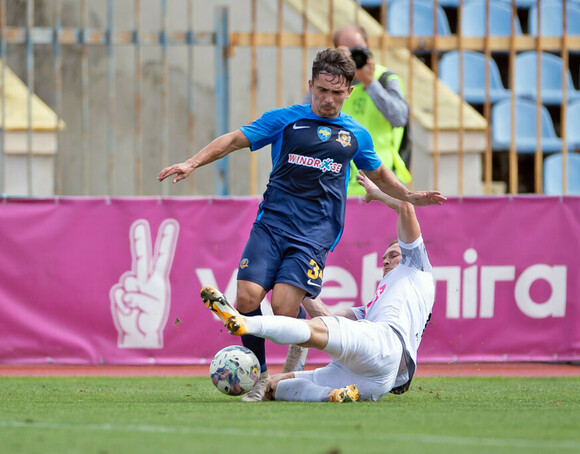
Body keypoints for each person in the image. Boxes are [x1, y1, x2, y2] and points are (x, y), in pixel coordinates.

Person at [158, 48, 445, 401]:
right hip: (272, 223)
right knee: (246, 296)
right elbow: (233, 139)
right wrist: (192, 163)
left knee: (283, 305)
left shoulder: (355, 134)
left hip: (314, 233)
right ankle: (261, 376)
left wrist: (409, 195)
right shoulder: (285, 120)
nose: (328, 99)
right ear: (310, 85)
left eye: (336, 92)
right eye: (322, 90)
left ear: (349, 91)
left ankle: (296, 346)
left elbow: (380, 173)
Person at [200, 170, 435, 402]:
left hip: (386, 344)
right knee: (275, 387)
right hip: (376, 379)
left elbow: (406, 207)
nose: (386, 260)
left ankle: (246, 323)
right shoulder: (376, 304)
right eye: (384, 257)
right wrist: (295, 282)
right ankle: (330, 395)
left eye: (393, 255)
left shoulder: (416, 267)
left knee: (315, 331)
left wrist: (377, 193)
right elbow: (328, 320)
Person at [304, 25, 412, 196]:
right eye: (347, 52)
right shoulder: (328, 82)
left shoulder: (385, 79)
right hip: (336, 183)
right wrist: (334, 71)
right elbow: (306, 119)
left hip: (379, 183)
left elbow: (399, 118)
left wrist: (370, 83)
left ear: (367, 46)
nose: (353, 58)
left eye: (357, 51)